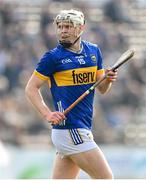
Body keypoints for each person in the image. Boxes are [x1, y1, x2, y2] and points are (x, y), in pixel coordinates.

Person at [25, 9, 118, 179]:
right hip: (70, 129)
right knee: (106, 178)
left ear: (81, 28)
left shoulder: (93, 52)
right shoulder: (52, 57)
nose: (63, 30)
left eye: (68, 26)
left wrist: (108, 79)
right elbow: (31, 88)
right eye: (60, 26)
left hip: (80, 128)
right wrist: (47, 114)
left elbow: (102, 89)